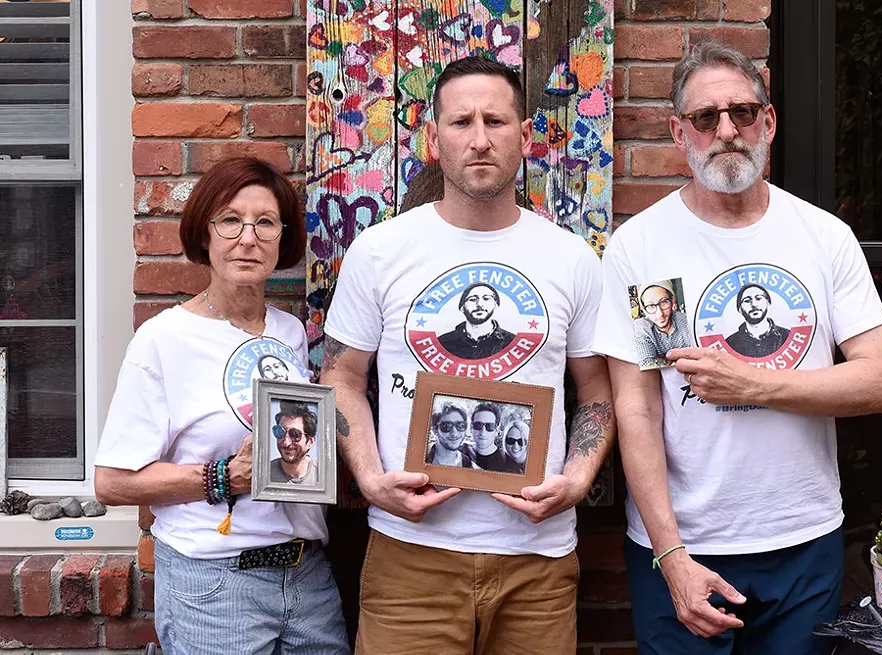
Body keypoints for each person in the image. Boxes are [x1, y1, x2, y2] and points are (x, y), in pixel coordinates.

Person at [592, 41, 882, 655]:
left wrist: (754, 385)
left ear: (770, 120)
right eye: (706, 118)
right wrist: (672, 557)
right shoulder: (643, 247)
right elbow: (639, 411)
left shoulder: (822, 236)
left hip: (803, 539)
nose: (726, 131)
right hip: (683, 545)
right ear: (680, 133)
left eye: (742, 112)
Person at [320, 55, 615, 655]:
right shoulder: (380, 252)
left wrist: (579, 477)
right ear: (433, 139)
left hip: (538, 561)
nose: (479, 139)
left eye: (496, 121)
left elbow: (598, 389)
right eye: (460, 122)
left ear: (525, 137)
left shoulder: (573, 259)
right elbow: (341, 378)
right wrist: (372, 481)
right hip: (411, 556)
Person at [93, 157, 350, 655]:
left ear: (283, 238)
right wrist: (222, 478)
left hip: (308, 577)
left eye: (265, 222)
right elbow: (113, 482)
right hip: (214, 585)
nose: (248, 237)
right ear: (205, 233)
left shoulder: (290, 332)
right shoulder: (164, 338)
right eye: (230, 220)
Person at [437, 282, 517, 359]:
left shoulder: (512, 342)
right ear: (462, 308)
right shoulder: (443, 343)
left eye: (486, 298)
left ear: (495, 306)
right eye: (473, 299)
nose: (480, 304)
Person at [633, 281, 693, 368]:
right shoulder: (641, 326)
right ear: (643, 309)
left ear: (672, 301)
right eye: (651, 306)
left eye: (663, 302)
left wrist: (661, 360)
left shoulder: (685, 320)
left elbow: (697, 355)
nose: (660, 314)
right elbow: (646, 364)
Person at [725, 283, 790, 358]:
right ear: (740, 309)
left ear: (768, 303)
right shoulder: (730, 343)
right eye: (747, 301)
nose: (754, 304)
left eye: (758, 298)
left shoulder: (786, 336)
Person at [270, 400, 319, 485]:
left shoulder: (324, 476)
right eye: (280, 432)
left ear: (310, 441)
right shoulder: (264, 473)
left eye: (295, 434)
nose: (286, 443)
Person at [427, 401, 475, 468]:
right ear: (435, 430)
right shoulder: (423, 456)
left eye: (460, 426)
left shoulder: (468, 464)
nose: (454, 434)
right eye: (446, 426)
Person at [470, 402, 507, 471]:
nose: (483, 432)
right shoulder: (461, 455)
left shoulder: (507, 464)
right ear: (471, 428)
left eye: (489, 426)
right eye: (478, 425)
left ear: (497, 430)